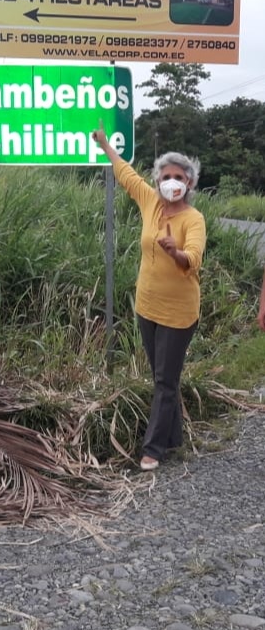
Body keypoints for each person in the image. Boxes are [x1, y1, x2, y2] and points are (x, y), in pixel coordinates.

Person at [92, 122, 206, 472]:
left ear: (189, 183)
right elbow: (126, 175)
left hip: (178, 312)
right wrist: (105, 145)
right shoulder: (150, 202)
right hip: (147, 306)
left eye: (179, 177)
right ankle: (174, 438)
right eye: (166, 176)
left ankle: (153, 449)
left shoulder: (194, 219)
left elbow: (193, 259)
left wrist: (175, 251)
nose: (172, 182)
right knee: (162, 376)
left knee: (164, 380)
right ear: (157, 180)